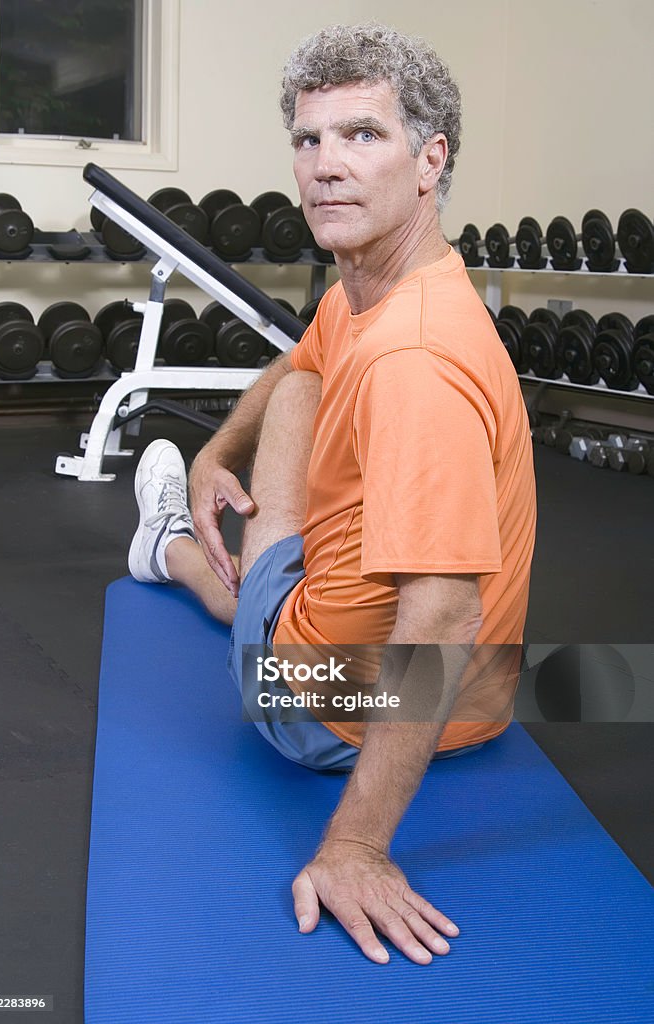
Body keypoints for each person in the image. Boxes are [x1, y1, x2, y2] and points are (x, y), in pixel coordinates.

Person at [127, 23, 536, 966]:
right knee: (309, 366)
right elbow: (307, 351)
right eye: (308, 141)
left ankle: (172, 550)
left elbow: (442, 608)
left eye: (361, 136)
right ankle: (203, 535)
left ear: (430, 159)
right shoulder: (388, 285)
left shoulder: (416, 359)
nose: (323, 167)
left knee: (302, 404)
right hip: (481, 698)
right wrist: (213, 452)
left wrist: (355, 845)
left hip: (317, 704)